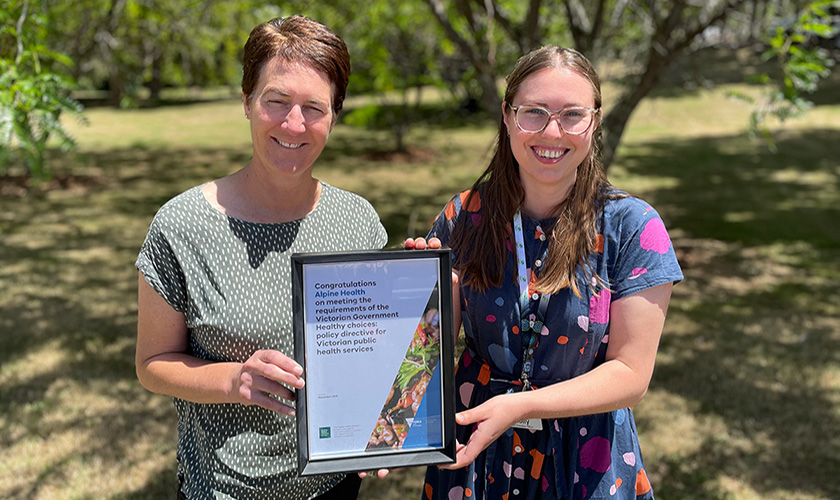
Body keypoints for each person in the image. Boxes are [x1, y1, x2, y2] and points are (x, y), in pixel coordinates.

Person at [407, 46, 683, 499]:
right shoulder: (463, 216)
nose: (552, 131)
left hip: (584, 454)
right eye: (532, 113)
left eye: (572, 114)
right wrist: (422, 297)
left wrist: (521, 406)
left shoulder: (632, 227)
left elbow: (632, 374)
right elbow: (426, 354)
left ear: (594, 121)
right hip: (479, 450)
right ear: (507, 116)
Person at [134, 15, 388, 500]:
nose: (294, 124)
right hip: (225, 489)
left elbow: (372, 355)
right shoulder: (181, 226)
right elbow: (151, 363)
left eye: (314, 107)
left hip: (334, 484)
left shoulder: (359, 221)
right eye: (277, 101)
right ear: (247, 102)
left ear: (335, 115)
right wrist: (234, 379)